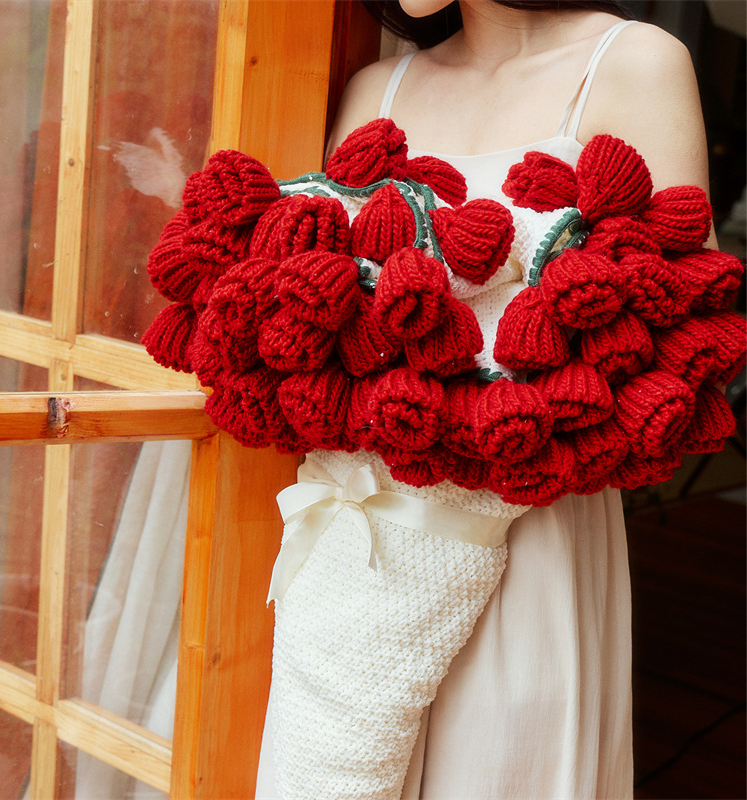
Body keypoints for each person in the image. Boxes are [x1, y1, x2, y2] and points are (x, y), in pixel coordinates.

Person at [256, 2, 713, 797]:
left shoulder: (634, 63)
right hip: (355, 550)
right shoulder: (376, 88)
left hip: (528, 526)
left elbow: (676, 330)